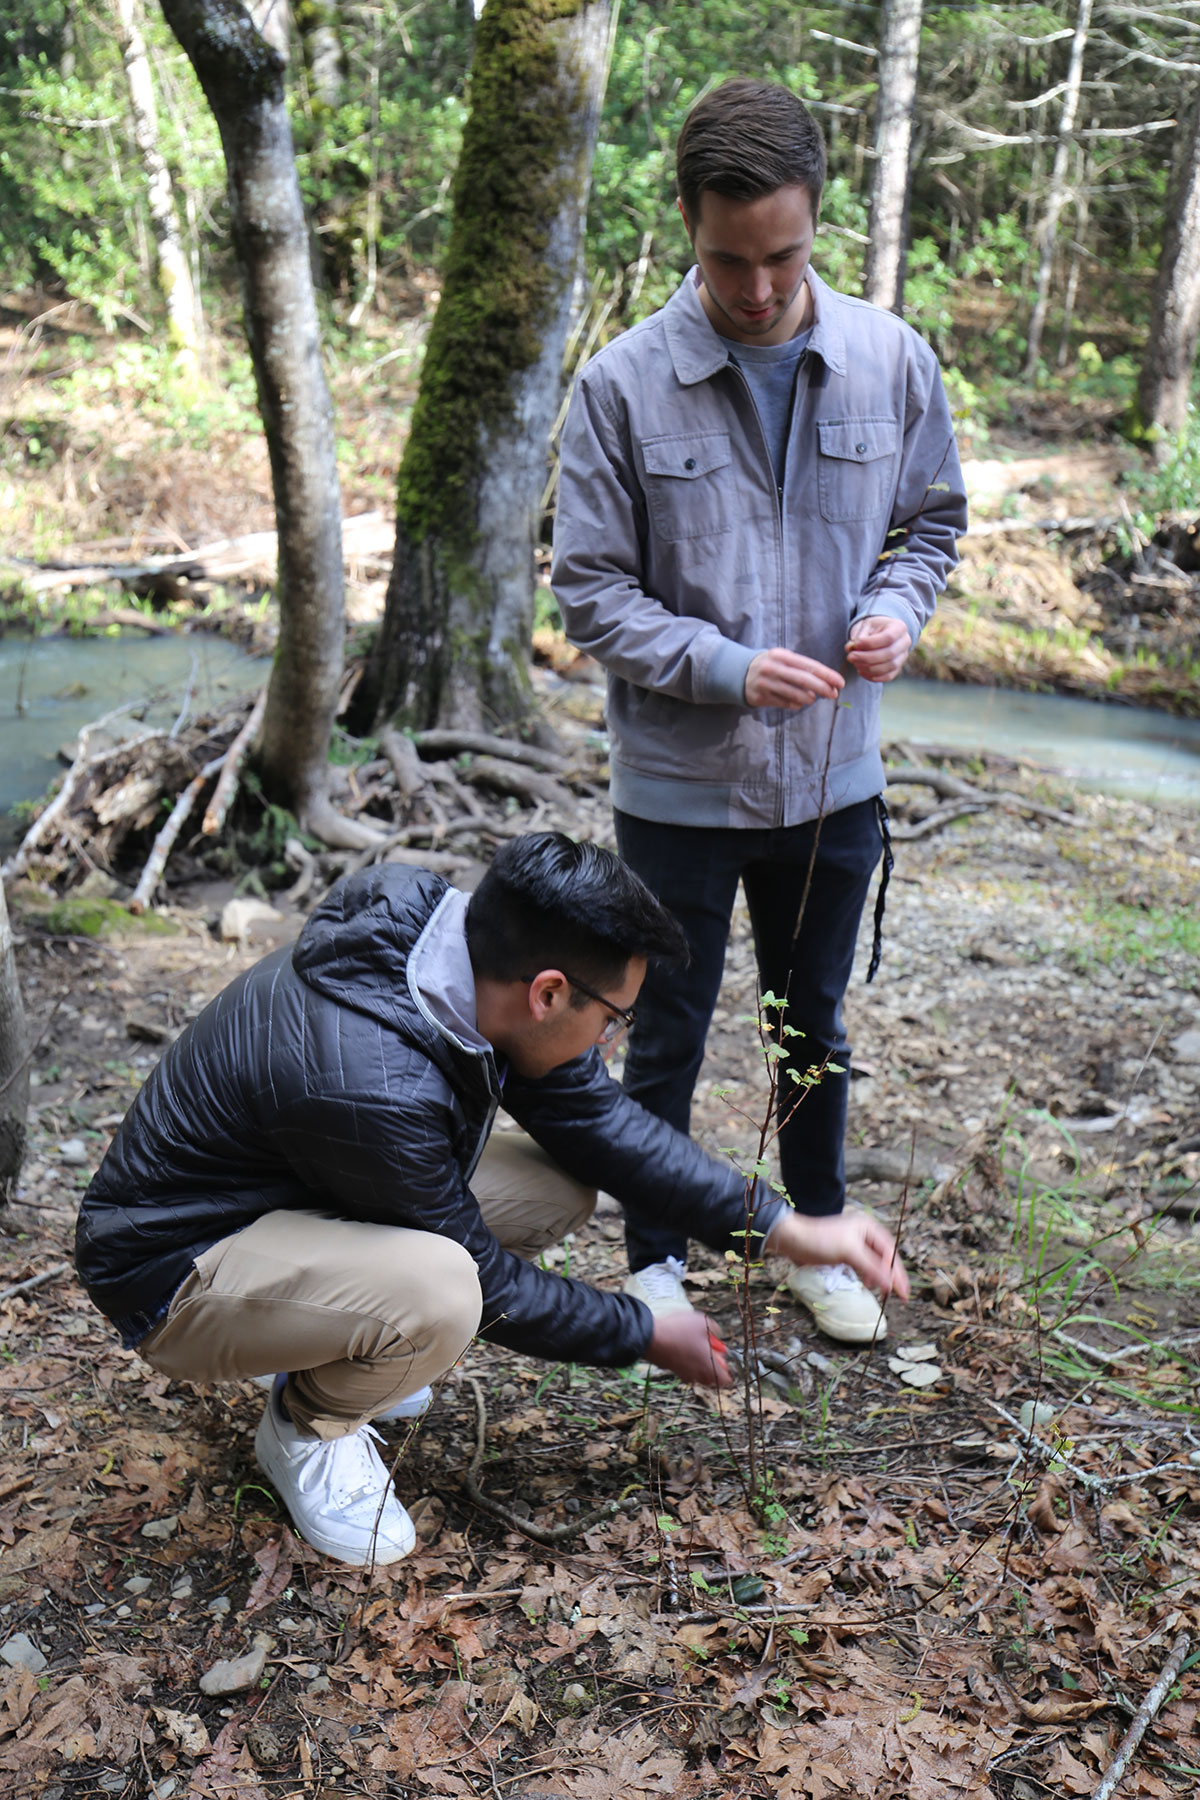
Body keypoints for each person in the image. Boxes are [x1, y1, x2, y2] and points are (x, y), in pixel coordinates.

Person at [75, 834, 907, 1568]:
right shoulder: (370, 1083)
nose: (612, 1040)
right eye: (614, 1018)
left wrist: (789, 1229)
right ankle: (305, 1427)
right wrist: (646, 1332)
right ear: (548, 993)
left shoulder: (458, 956)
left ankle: (343, 1341)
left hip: (291, 1198)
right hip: (174, 1272)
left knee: (554, 1188)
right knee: (442, 1292)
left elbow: (603, 1126)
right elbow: (488, 1285)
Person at [551, 79, 967, 1345]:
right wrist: (727, 667)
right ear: (687, 222)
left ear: (816, 223)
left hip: (835, 781)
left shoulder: (893, 359)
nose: (756, 287)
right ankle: (655, 1260)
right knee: (662, 1023)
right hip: (677, 790)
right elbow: (589, 594)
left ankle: (819, 1235)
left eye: (782, 255)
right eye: (729, 259)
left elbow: (932, 522)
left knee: (815, 1026)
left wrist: (902, 605)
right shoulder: (622, 387)